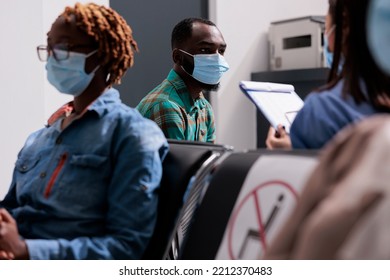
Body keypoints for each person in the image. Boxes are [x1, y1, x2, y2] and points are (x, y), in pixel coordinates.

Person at [0, 3, 168, 260]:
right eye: (50, 47)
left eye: (64, 48)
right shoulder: (40, 137)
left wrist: (26, 251)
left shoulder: (133, 134)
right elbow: (10, 211)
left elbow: (126, 247)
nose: (53, 57)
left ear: (99, 55)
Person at [266, 0, 390, 150]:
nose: (326, 34)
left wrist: (291, 154)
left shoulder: (323, 111)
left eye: (326, 27)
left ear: (343, 29)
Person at [136, 17, 229, 143]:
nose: (217, 59)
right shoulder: (166, 106)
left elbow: (209, 159)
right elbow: (177, 163)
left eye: (221, 51)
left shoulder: (204, 107)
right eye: (204, 50)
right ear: (178, 57)